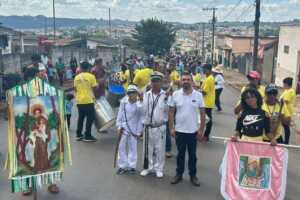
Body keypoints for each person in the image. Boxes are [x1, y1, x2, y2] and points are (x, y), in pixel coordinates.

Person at [168, 71, 206, 187]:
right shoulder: (175, 94)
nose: (185, 81)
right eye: (183, 79)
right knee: (180, 155)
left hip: (193, 131)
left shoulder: (198, 95)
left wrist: (201, 130)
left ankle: (193, 176)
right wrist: (171, 128)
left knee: (193, 156)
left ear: (191, 81)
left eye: (188, 79)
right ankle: (178, 174)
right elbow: (171, 112)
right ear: (180, 81)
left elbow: (203, 114)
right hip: (179, 131)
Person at [140, 71, 169, 178]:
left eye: (157, 81)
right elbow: (143, 110)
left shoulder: (165, 95)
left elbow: (168, 111)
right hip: (148, 127)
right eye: (153, 81)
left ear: (161, 82)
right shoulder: (146, 94)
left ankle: (159, 168)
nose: (155, 83)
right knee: (147, 148)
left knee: (160, 149)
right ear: (150, 83)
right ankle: (147, 167)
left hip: (160, 126)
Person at [116, 85, 143, 175]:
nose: (132, 95)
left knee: (133, 148)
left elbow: (140, 119)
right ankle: (122, 166)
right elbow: (120, 114)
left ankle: (132, 166)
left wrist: (139, 131)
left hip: (134, 129)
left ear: (137, 93)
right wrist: (119, 126)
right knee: (121, 147)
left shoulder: (139, 105)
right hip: (124, 127)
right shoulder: (123, 102)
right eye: (130, 93)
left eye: (134, 93)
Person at [74, 61, 98, 142]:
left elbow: (75, 89)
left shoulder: (76, 77)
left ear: (80, 68)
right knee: (90, 118)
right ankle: (87, 135)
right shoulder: (91, 76)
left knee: (81, 118)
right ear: (88, 68)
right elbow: (95, 88)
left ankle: (78, 134)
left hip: (79, 101)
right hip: (88, 100)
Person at [201, 64, 215, 142]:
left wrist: (196, 91)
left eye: (204, 69)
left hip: (207, 102)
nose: (203, 70)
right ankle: (205, 135)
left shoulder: (209, 79)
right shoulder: (208, 78)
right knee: (206, 119)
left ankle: (206, 136)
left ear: (209, 70)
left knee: (208, 119)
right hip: (207, 102)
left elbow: (204, 92)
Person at [280, 77, 296, 144]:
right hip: (283, 111)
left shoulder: (290, 91)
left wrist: (280, 101)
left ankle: (286, 141)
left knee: (286, 126)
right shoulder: (287, 90)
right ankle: (284, 140)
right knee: (283, 126)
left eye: (284, 84)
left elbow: (285, 101)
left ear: (286, 84)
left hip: (286, 112)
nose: (283, 85)